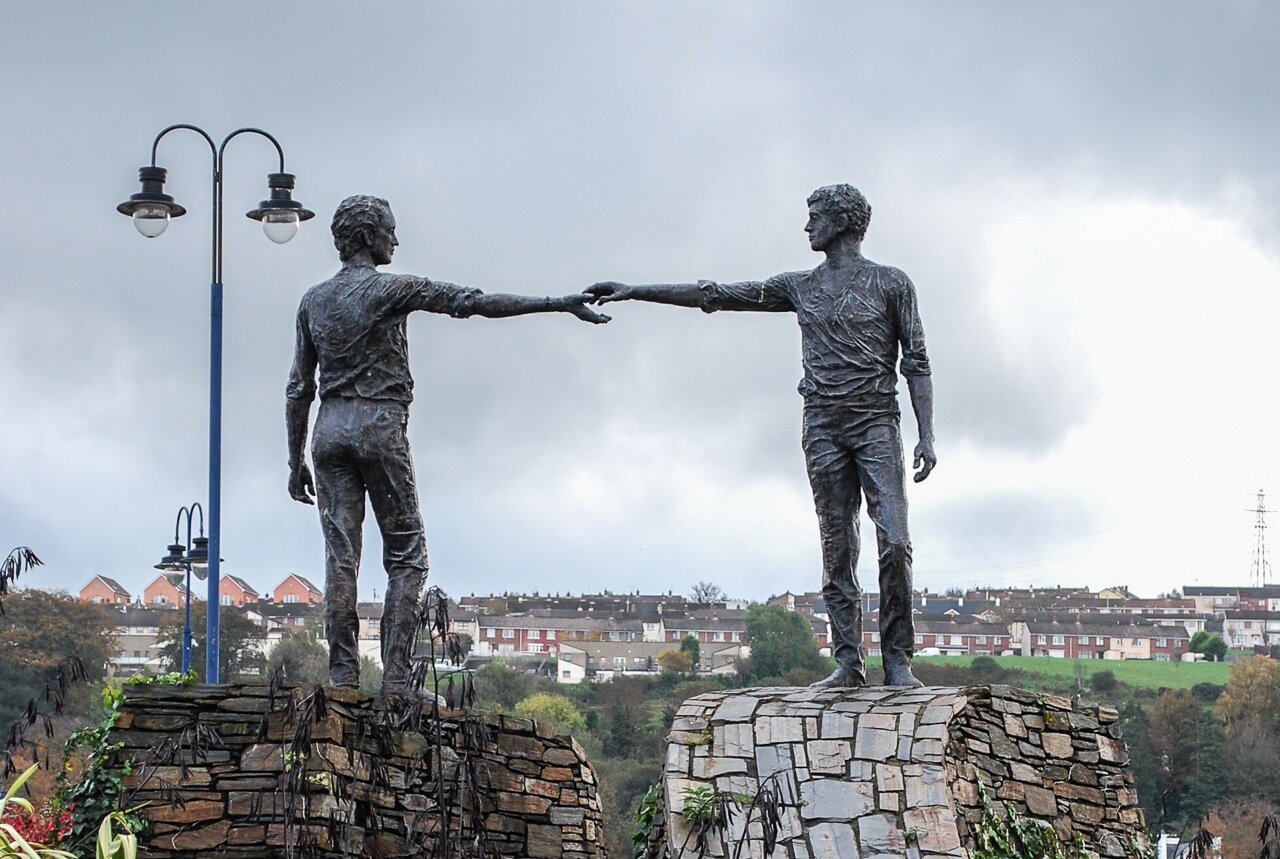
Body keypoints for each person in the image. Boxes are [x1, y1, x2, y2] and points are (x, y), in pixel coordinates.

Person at [586, 184, 935, 687]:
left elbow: (916, 362)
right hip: (822, 426)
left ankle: (897, 660)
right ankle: (847, 662)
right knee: (836, 546)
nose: (807, 225)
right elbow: (718, 295)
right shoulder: (801, 287)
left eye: (814, 216)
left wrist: (927, 435)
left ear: (842, 222)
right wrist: (636, 290)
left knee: (895, 542)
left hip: (876, 421)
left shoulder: (892, 283)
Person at [286, 195, 609, 695]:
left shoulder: (312, 301)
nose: (397, 239)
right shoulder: (392, 288)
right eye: (391, 230)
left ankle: (343, 677)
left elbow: (297, 389)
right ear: (370, 236)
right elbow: (473, 303)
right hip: (378, 426)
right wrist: (558, 302)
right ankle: (395, 681)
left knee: (340, 558)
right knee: (408, 556)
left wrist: (293, 460)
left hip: (327, 433)